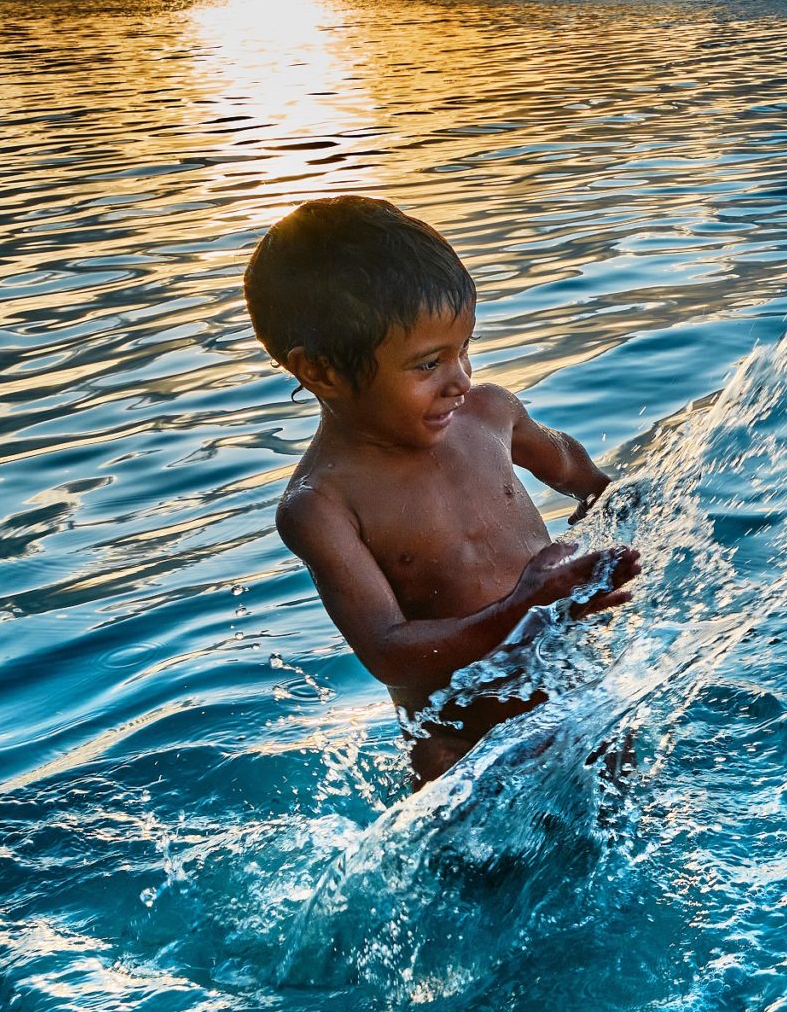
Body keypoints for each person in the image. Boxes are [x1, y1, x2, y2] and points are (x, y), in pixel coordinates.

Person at [244, 196, 642, 788]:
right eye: (428, 364)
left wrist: (619, 519)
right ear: (322, 373)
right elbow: (387, 650)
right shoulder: (322, 505)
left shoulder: (491, 416)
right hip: (466, 760)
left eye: (464, 349)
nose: (461, 379)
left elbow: (584, 480)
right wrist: (520, 609)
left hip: (580, 707)